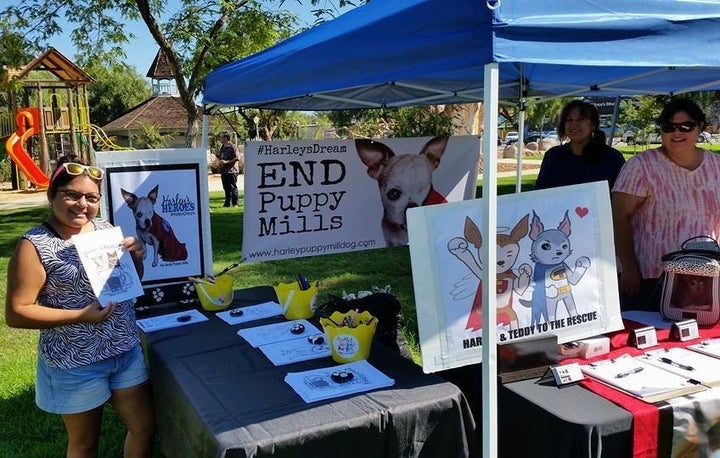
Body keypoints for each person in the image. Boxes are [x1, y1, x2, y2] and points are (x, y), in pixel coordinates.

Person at [5, 155, 156, 457]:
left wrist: (136, 260)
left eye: (91, 197)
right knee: (85, 444)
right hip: (75, 363)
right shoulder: (34, 245)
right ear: (52, 195)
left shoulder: (103, 228)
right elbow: (17, 312)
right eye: (71, 195)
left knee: (144, 428)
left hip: (124, 350)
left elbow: (126, 283)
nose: (82, 204)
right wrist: (80, 316)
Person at [612, 98, 720, 311]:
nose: (677, 133)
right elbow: (618, 217)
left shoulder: (717, 166)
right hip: (651, 278)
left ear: (700, 127)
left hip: (706, 275)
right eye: (669, 127)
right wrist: (629, 268)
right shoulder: (640, 166)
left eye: (686, 126)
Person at [534, 99, 625, 190]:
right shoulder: (553, 156)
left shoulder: (612, 158)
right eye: (569, 120)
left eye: (580, 119)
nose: (574, 124)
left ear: (593, 124)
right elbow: (540, 193)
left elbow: (621, 196)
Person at [217, 132, 240, 207]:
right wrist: (219, 163)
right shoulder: (222, 147)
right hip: (224, 171)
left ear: (226, 138)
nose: (220, 139)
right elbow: (220, 157)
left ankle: (235, 203)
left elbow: (237, 158)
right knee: (226, 187)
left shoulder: (233, 146)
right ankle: (227, 203)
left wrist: (226, 162)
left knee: (232, 187)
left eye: (221, 137)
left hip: (232, 171)